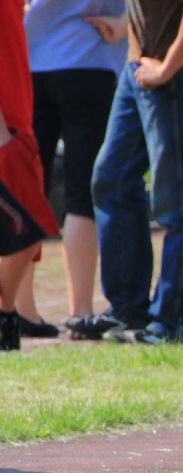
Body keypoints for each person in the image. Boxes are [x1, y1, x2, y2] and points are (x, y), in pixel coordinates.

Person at [90, 0, 183, 344]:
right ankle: (128, 309)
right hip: (139, 71)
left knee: (177, 197)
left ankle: (172, 322)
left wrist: (166, 70)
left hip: (177, 70)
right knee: (111, 179)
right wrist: (134, 59)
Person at [21, 0, 128, 341]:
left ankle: (20, 308)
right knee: (82, 193)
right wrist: (126, 23)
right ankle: (80, 312)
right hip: (89, 61)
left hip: (31, 62)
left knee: (28, 189)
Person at [0, 0, 60, 351]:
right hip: (7, 125)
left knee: (27, 232)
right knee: (28, 226)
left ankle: (8, 314)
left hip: (18, 119)